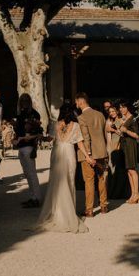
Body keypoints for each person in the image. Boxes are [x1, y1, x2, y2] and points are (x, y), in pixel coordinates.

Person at [36, 105, 90, 233]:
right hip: (69, 153)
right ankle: (68, 212)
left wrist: (40, 136)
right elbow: (79, 142)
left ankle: (57, 212)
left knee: (56, 182)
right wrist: (87, 156)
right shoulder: (75, 125)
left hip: (57, 152)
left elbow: (49, 139)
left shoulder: (55, 125)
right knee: (69, 181)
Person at [75, 92, 109, 217]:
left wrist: (88, 155)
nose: (76, 104)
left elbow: (86, 138)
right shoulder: (100, 115)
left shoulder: (81, 118)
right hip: (102, 151)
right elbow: (105, 135)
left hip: (89, 154)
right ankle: (104, 205)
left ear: (80, 101)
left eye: (76, 101)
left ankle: (89, 210)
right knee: (101, 179)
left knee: (89, 181)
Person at [14, 93, 43, 208]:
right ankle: (33, 197)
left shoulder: (34, 114)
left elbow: (38, 132)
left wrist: (34, 147)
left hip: (29, 146)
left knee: (32, 173)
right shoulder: (20, 114)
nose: (24, 102)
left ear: (29, 101)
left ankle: (37, 198)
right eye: (22, 100)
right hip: (21, 146)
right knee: (27, 173)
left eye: (26, 100)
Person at [117, 101, 139, 204]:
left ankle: (136, 194)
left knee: (132, 170)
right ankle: (134, 194)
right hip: (124, 145)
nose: (121, 109)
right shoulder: (124, 118)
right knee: (128, 170)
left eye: (123, 107)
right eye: (120, 108)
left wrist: (126, 131)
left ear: (128, 107)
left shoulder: (133, 119)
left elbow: (137, 135)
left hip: (130, 145)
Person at [106, 106, 129, 200]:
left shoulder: (122, 120)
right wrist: (114, 129)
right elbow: (107, 129)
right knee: (112, 170)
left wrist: (115, 130)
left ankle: (119, 193)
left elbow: (122, 134)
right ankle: (112, 192)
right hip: (111, 146)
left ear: (117, 111)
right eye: (110, 112)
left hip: (118, 147)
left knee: (119, 170)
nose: (112, 113)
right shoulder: (111, 121)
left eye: (113, 111)